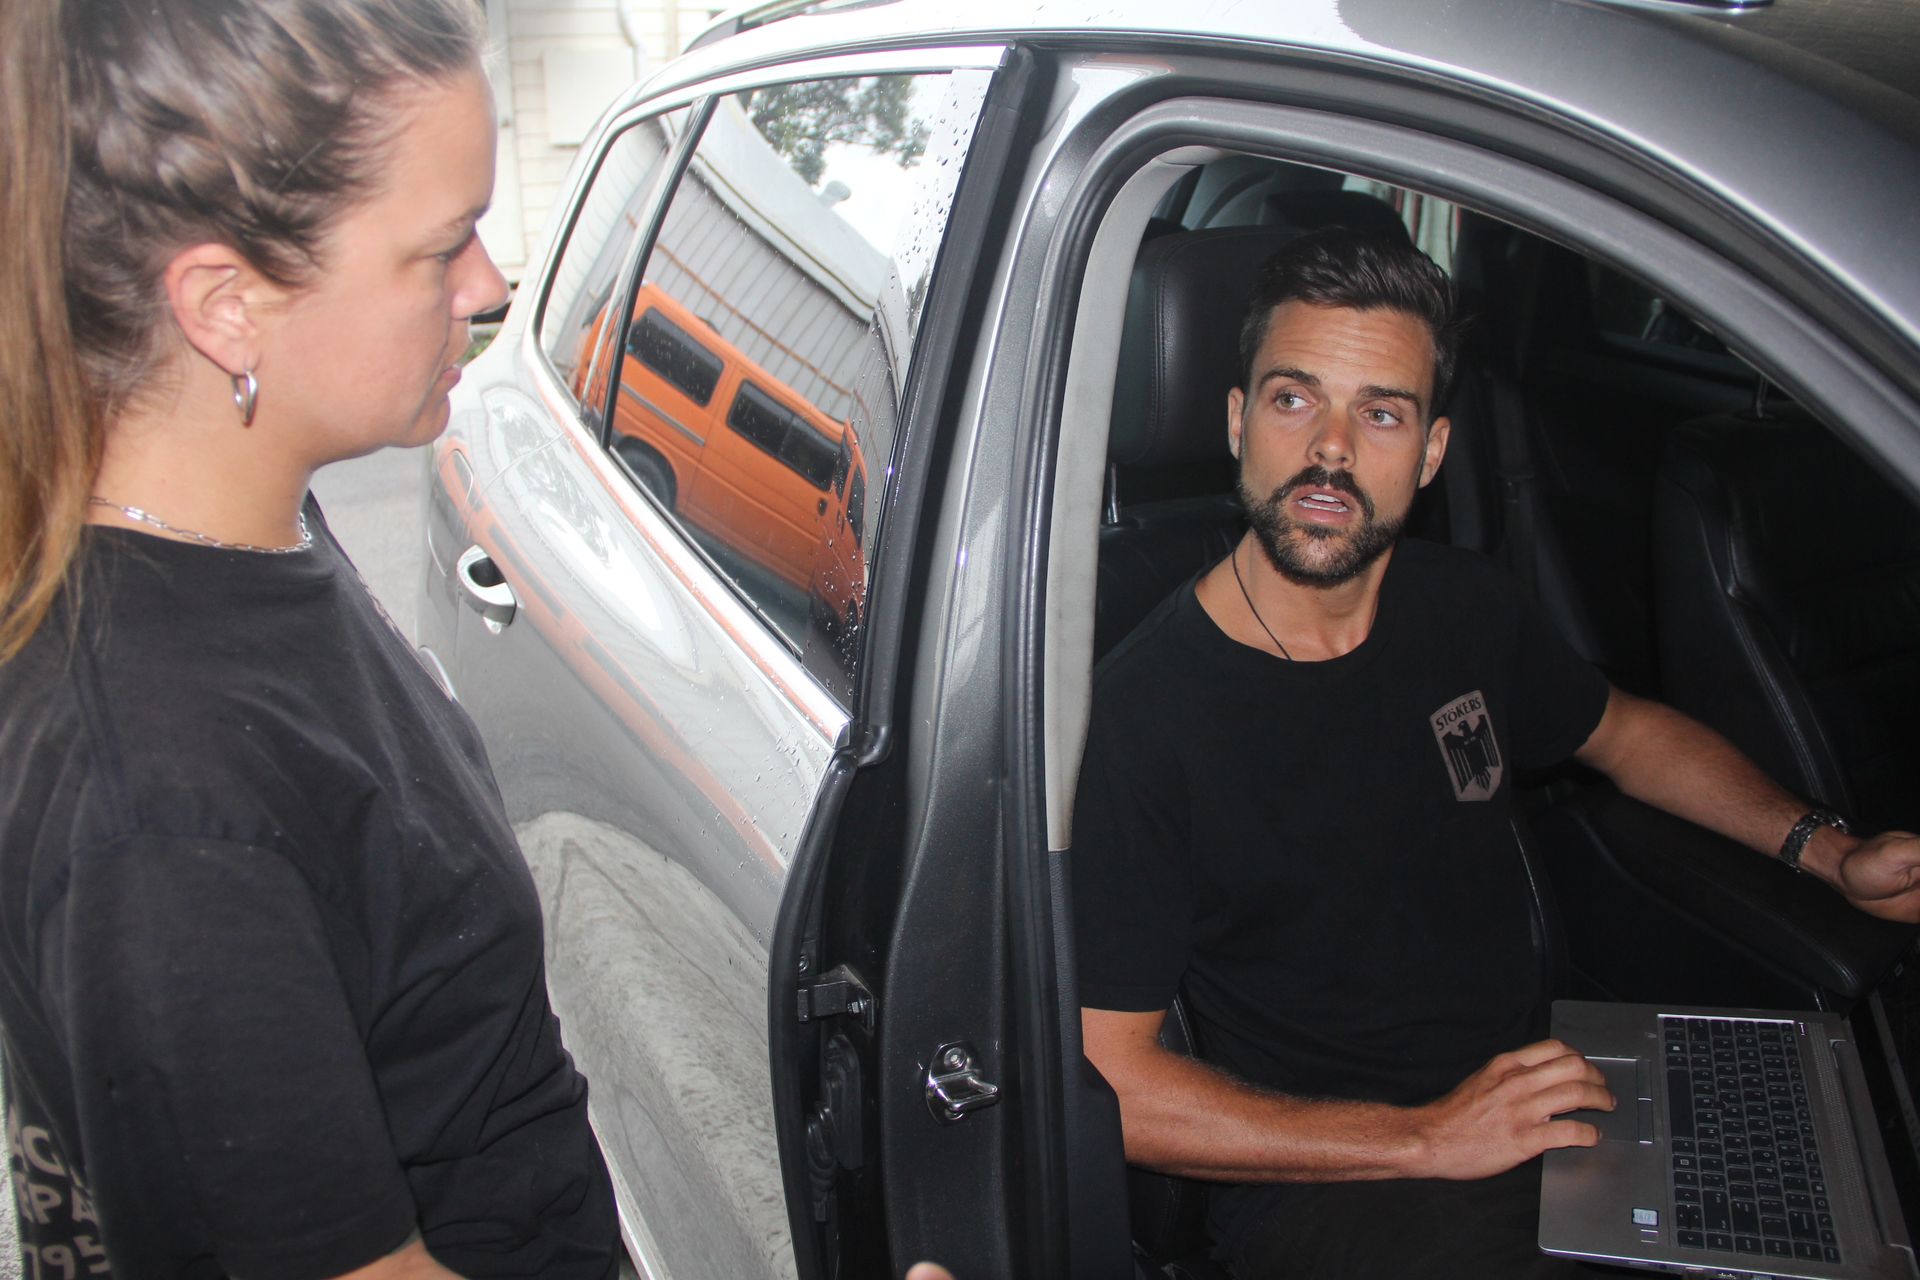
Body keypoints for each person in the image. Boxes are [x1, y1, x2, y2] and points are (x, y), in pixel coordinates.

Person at [1070, 227, 1920, 1278]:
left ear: (1431, 452)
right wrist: (1428, 1138)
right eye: (1295, 399)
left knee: (1848, 1204)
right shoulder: (1138, 720)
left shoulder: (1465, 605)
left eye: (1381, 412)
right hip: (1340, 1183)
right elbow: (1115, 1084)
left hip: (1537, 1092)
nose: (1331, 449)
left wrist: (1829, 851)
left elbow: (1627, 732)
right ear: (1239, 420)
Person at [0, 1, 620, 1275]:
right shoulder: (163, 817)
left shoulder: (254, 528)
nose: (489, 284)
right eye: (441, 247)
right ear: (226, 305)